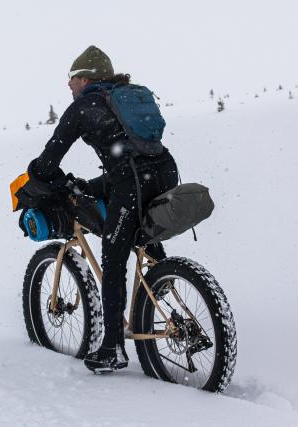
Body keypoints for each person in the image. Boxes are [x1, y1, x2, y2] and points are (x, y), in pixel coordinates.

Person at [21, 45, 180, 372]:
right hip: (164, 172)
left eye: (72, 77)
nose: (69, 85)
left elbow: (50, 159)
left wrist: (36, 179)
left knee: (113, 253)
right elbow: (133, 151)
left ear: (87, 78)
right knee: (131, 219)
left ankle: (112, 349)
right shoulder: (124, 96)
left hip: (132, 180)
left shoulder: (83, 107)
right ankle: (161, 275)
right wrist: (89, 185)